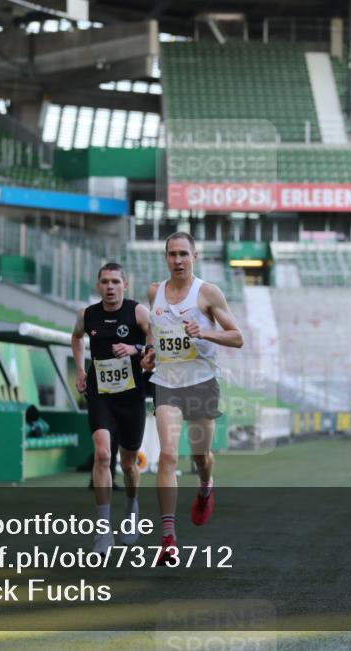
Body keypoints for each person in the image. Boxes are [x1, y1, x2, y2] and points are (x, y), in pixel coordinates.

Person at [141, 232, 244, 564]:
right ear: (165, 257)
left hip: (201, 382)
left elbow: (237, 337)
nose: (178, 260)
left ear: (194, 257)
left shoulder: (208, 293)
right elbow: (155, 334)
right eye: (172, 254)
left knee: (200, 458)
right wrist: (150, 352)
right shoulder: (155, 292)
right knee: (168, 455)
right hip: (167, 384)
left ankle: (205, 485)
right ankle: (168, 538)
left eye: (184, 254)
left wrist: (205, 331)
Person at [72, 262, 152, 554]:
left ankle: (131, 506)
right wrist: (80, 370)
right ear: (98, 285)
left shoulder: (138, 312)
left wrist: (136, 349)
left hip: (131, 395)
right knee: (103, 453)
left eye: (115, 282)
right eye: (105, 281)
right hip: (100, 393)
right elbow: (76, 337)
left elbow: (155, 342)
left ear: (124, 285)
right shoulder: (87, 315)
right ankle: (103, 531)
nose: (110, 287)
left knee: (129, 464)